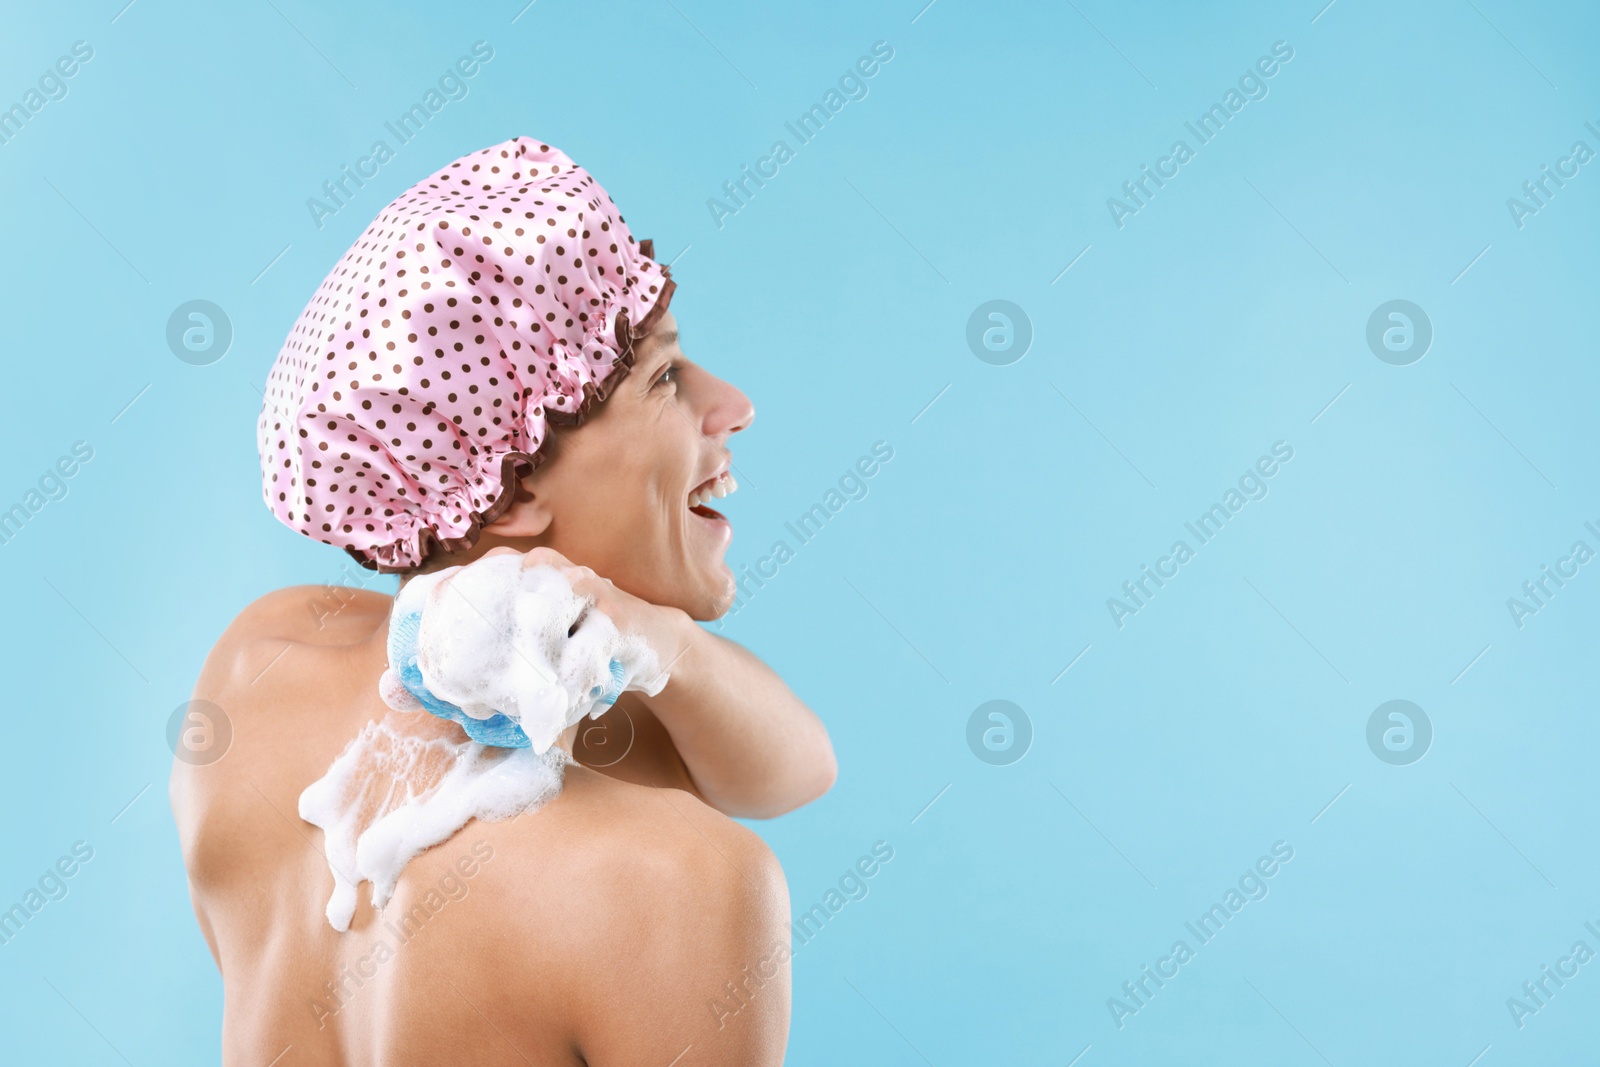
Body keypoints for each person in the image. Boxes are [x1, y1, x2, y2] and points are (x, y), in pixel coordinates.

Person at [169, 137, 835, 1066]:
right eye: (666, 379)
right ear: (517, 487)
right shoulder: (679, 887)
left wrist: (663, 645)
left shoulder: (256, 666)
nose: (734, 403)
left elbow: (798, 768)